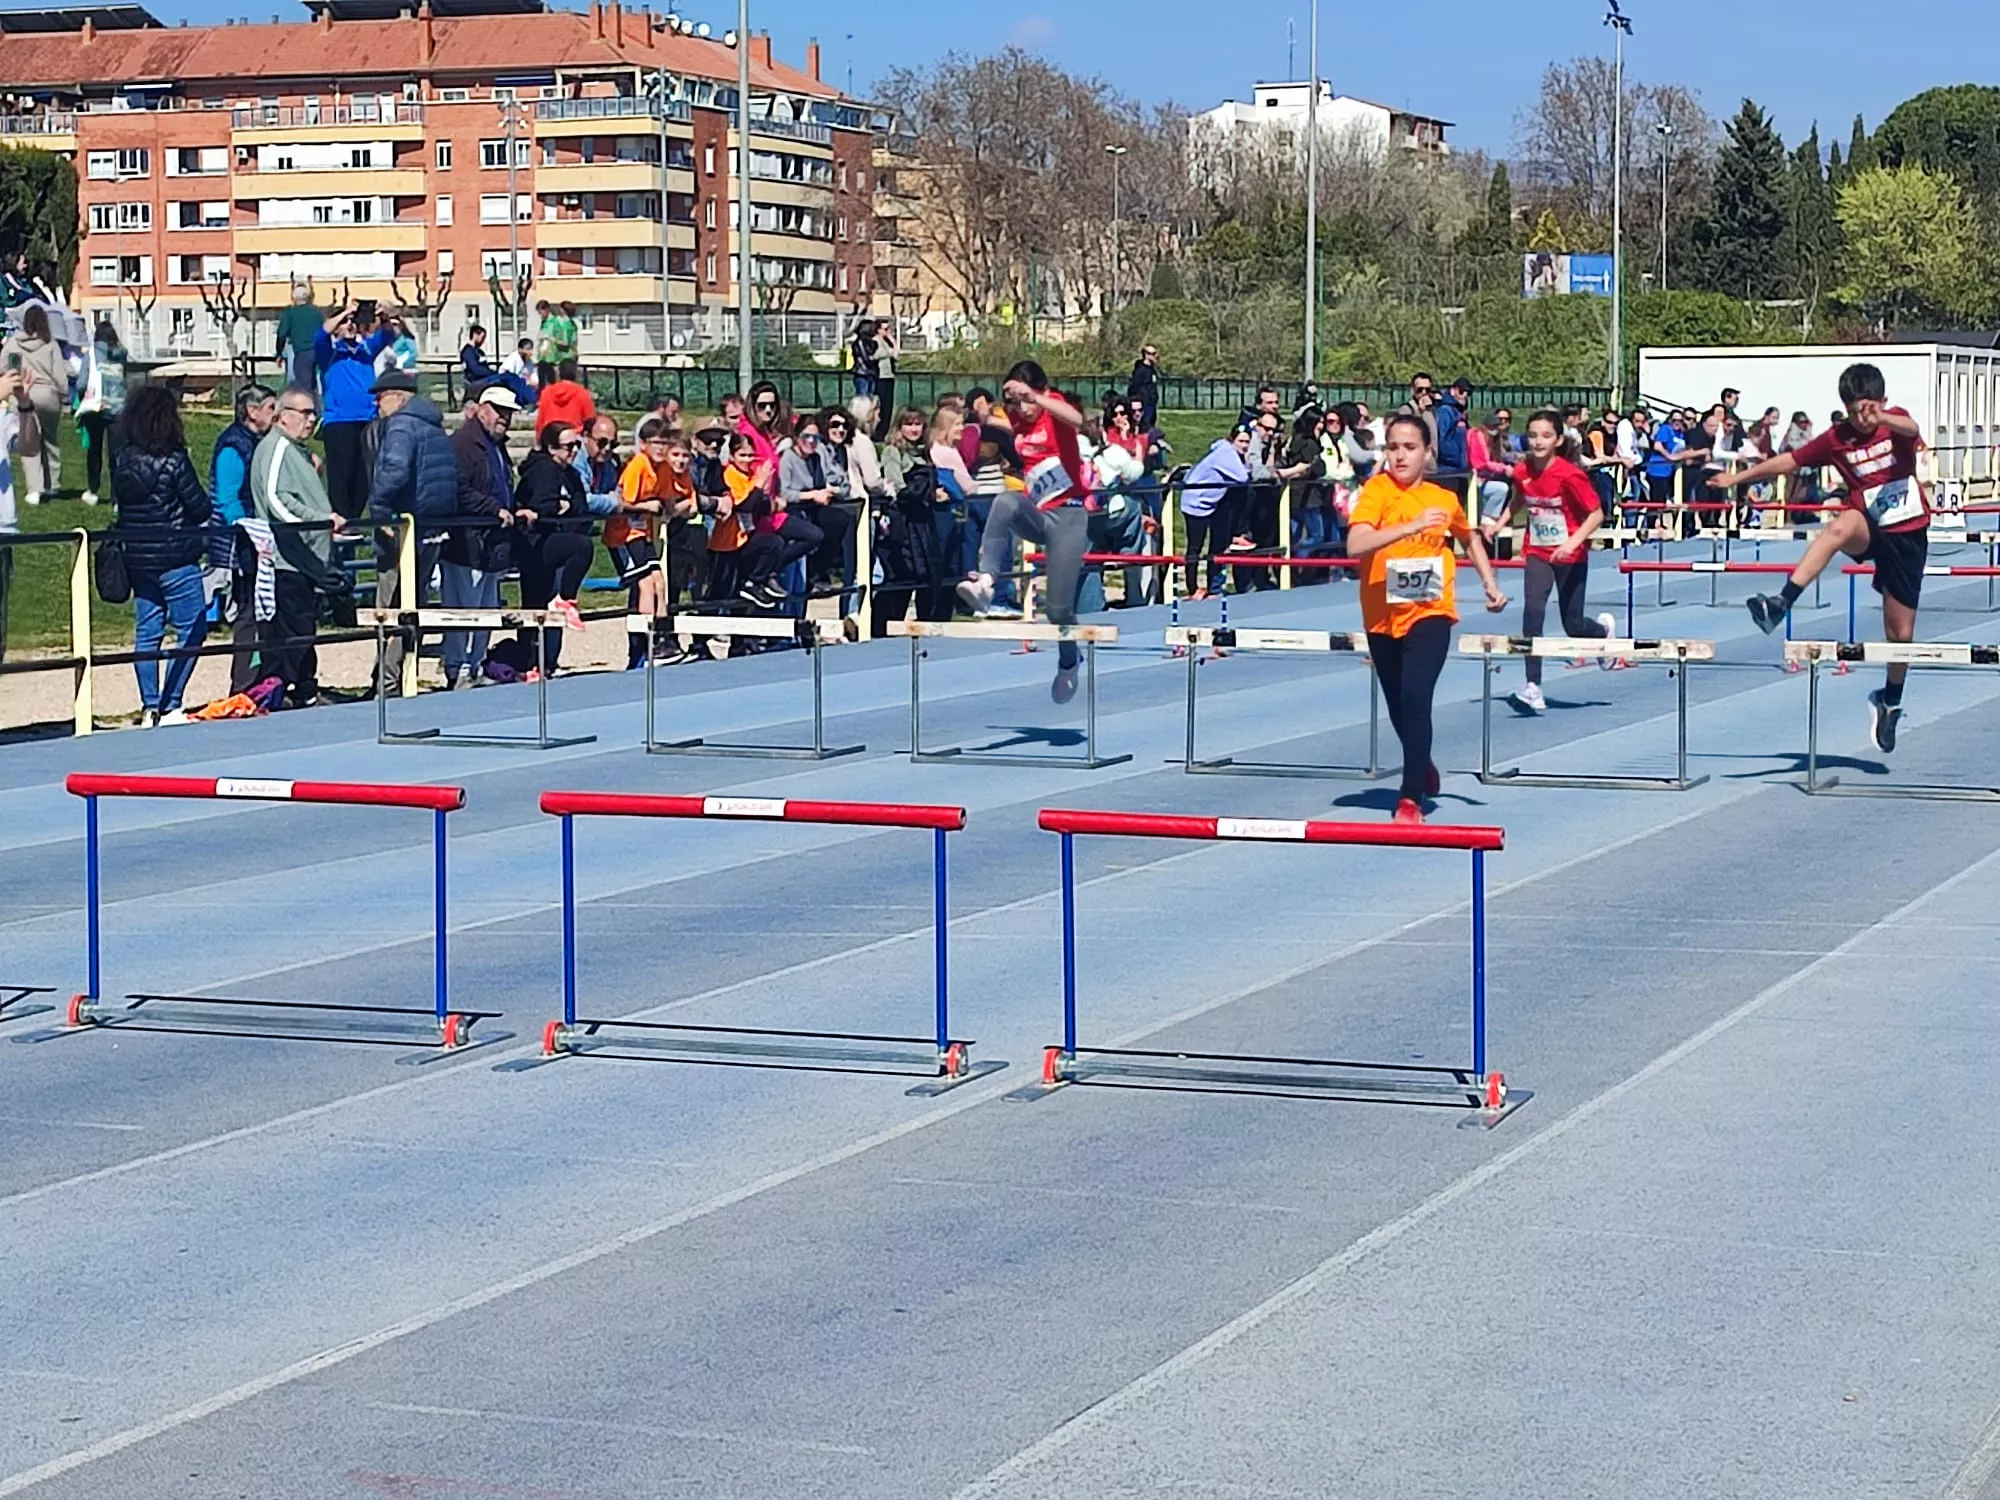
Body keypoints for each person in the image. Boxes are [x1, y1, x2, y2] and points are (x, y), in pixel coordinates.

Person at [1716, 362, 1929, 752]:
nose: (1862, 420)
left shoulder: (1892, 421)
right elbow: (1790, 461)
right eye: (1853, 412)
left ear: (1881, 402)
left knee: (1900, 637)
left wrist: (1881, 416)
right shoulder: (1837, 439)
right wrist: (1738, 478)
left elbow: (1912, 430)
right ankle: (1782, 603)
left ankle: (1890, 700)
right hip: (1869, 525)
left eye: (1868, 410)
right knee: (1837, 527)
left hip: (1908, 534)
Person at [1346, 412, 1508, 823]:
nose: (1400, 456)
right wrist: (1408, 528)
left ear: (1427, 453)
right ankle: (1422, 761)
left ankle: (1410, 796)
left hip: (1431, 611)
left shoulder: (1444, 498)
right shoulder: (1376, 491)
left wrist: (1489, 582)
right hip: (1382, 614)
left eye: (1409, 448)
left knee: (1417, 697)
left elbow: (1467, 537)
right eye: (1393, 448)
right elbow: (1355, 544)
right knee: (1400, 706)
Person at [954, 360, 1096, 703]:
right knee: (1005, 501)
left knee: (1058, 612)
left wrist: (1035, 396)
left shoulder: (1054, 412)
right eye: (1014, 401)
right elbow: (992, 420)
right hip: (1040, 515)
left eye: (1025, 400)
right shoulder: (1017, 419)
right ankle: (986, 583)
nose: (1021, 408)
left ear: (1042, 391)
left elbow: (1078, 420)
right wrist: (988, 410)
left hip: (1070, 518)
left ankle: (1068, 660)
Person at [1505, 409, 1620, 715]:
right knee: (1532, 612)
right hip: (1538, 551)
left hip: (1571, 553)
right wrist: (1498, 521)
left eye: (1545, 435)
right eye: (1532, 435)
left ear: (1557, 440)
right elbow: (1519, 499)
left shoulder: (1570, 474)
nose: (1538, 441)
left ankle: (1602, 633)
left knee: (1573, 624)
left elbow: (1597, 514)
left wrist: (1572, 543)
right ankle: (1533, 686)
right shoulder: (1522, 470)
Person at [109, 387, 211, 725]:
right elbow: (198, 507)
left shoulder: (122, 458)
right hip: (176, 557)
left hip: (138, 557)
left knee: (148, 631)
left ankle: (150, 703)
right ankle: (172, 702)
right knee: (191, 628)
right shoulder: (175, 460)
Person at [251, 385, 342, 709]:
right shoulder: (276, 448)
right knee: (293, 630)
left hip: (305, 560)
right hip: (287, 560)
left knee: (302, 627)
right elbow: (277, 500)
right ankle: (287, 692)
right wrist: (317, 522)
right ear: (283, 415)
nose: (311, 419)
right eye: (305, 413)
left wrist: (326, 525)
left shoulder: (296, 450)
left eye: (313, 412)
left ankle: (302, 688)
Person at [367, 369, 457, 695]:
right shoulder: (434, 427)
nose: (376, 402)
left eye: (381, 395)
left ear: (399, 397)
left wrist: (377, 509)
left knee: (390, 608)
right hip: (431, 528)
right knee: (413, 603)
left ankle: (388, 682)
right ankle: (404, 673)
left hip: (404, 529)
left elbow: (394, 469)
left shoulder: (402, 425)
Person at [443, 385, 519, 688]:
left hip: (491, 541)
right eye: (500, 411)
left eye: (509, 413)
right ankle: (457, 667)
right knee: (464, 607)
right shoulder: (463, 444)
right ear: (483, 408)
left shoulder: (495, 446)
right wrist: (492, 509)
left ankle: (475, 664)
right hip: (467, 539)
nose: (505, 418)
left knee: (487, 607)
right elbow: (458, 489)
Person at [509, 420, 594, 672]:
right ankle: (529, 660)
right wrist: (559, 506)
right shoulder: (542, 469)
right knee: (582, 547)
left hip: (554, 539)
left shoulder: (570, 473)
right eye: (568, 446)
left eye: (576, 445)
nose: (574, 451)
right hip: (535, 542)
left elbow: (581, 505)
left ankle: (545, 662)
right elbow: (541, 505)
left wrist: (565, 506)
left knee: (540, 602)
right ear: (551, 447)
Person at [211, 382, 279, 694]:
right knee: (248, 614)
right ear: (252, 412)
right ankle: (243, 686)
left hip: (260, 538)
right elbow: (228, 498)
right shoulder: (233, 447)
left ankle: (264, 678)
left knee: (262, 612)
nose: (275, 415)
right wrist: (251, 531)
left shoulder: (260, 442)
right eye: (270, 408)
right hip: (243, 543)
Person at [314, 298, 397, 520]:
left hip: (367, 420)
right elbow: (320, 335)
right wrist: (345, 313)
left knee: (364, 478)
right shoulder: (330, 353)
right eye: (345, 322)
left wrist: (384, 317)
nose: (350, 325)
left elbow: (388, 334)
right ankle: (340, 522)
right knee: (341, 478)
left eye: (353, 321)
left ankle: (354, 520)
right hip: (339, 422)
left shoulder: (365, 350)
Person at [611, 418, 674, 666]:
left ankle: (663, 637)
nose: (660, 449)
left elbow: (668, 499)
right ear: (644, 444)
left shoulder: (664, 468)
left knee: (659, 582)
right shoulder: (638, 465)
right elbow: (623, 502)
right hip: (623, 534)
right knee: (645, 585)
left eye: (664, 443)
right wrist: (645, 506)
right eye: (655, 443)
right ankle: (647, 640)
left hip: (643, 532)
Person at [778, 412, 854, 607]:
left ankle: (820, 569)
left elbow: (829, 481)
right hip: (793, 514)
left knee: (841, 519)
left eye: (816, 438)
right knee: (795, 574)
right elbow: (783, 493)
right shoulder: (788, 458)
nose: (811, 442)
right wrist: (811, 495)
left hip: (812, 512)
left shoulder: (816, 458)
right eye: (806, 436)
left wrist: (829, 490)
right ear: (796, 437)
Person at [1179, 425, 1251, 598]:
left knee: (1215, 546)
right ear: (1231, 440)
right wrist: (1247, 460)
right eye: (1241, 441)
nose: (1244, 446)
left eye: (1248, 442)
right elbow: (1243, 477)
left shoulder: (1225, 450)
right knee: (1195, 547)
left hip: (1211, 503)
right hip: (1196, 503)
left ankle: (1212, 587)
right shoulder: (1227, 454)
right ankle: (1192, 588)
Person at [3, 304, 65, 504]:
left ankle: (34, 489)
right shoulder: (50, 343)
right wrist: (62, 395)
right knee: (50, 440)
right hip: (48, 395)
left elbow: (4, 367)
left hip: (23, 393)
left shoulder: (13, 344)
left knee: (28, 442)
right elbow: (60, 375)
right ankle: (53, 484)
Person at [74, 315, 127, 505]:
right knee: (117, 454)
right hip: (119, 407)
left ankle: (94, 490)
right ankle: (116, 497)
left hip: (96, 406)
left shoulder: (92, 354)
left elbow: (81, 383)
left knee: (94, 450)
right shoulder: (121, 354)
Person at [273, 282, 323, 391]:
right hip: (319, 351)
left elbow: (281, 334)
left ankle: (306, 405)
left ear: (293, 298)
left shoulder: (290, 313)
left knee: (303, 386)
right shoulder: (316, 312)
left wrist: (279, 352)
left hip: (302, 351)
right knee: (317, 384)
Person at [535, 358, 597, 438]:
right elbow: (590, 420)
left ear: (559, 373)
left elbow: (540, 422)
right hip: (574, 437)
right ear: (575, 373)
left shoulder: (547, 392)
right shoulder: (582, 393)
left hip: (550, 437)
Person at [872, 319, 900, 437]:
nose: (887, 332)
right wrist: (889, 351)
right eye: (885, 329)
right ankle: (878, 431)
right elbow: (876, 355)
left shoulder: (886, 342)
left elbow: (895, 354)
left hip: (889, 375)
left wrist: (893, 342)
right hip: (880, 376)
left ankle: (884, 430)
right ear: (878, 330)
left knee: (889, 405)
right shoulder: (875, 341)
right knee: (882, 405)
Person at [536, 299, 578, 367]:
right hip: (547, 357)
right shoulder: (545, 322)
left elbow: (565, 342)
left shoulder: (562, 323)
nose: (558, 310)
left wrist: (552, 339)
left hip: (563, 357)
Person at [1128, 344, 1161, 428]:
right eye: (1152, 353)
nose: (1155, 356)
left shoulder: (1152, 369)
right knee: (1144, 427)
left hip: (1151, 403)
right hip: (1143, 404)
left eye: (1155, 353)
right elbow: (1134, 387)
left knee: (1151, 427)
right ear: (1146, 354)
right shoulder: (1140, 370)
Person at [850, 317, 881, 397]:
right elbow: (865, 357)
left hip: (872, 373)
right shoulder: (859, 343)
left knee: (872, 396)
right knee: (862, 396)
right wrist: (872, 359)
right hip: (862, 373)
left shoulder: (873, 342)